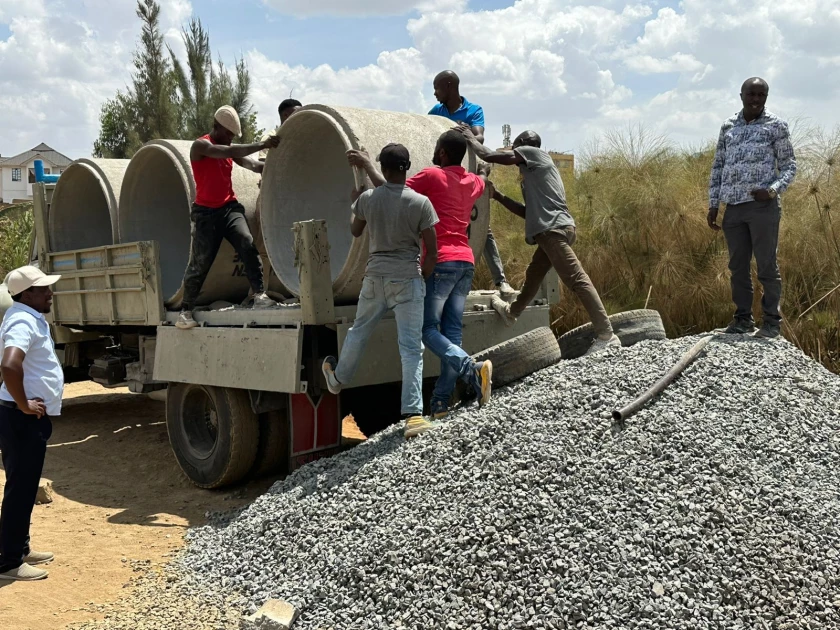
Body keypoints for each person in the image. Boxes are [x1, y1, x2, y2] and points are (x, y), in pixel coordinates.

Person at [349, 131, 494, 420]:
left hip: (440, 262)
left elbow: (391, 190)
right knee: (451, 333)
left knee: (428, 330)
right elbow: (484, 178)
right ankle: (440, 402)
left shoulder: (432, 176)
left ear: (441, 153)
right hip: (466, 263)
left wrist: (367, 164)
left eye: (437, 148)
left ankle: (472, 368)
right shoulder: (472, 182)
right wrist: (483, 167)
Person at [456, 126, 620, 355]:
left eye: (516, 145)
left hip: (553, 231)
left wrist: (470, 139)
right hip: (551, 230)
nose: (514, 150)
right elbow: (528, 213)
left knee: (577, 279)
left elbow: (488, 155)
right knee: (534, 274)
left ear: (523, 144)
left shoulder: (535, 154)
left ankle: (606, 334)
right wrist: (498, 196)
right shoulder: (534, 175)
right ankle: (512, 313)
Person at [322, 144, 440, 438]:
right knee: (411, 349)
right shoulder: (421, 203)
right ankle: (413, 417)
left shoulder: (369, 199)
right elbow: (432, 253)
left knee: (359, 331)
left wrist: (355, 201)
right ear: (407, 167)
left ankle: (337, 380)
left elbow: (355, 230)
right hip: (408, 279)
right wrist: (420, 278)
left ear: (383, 169)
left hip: (375, 278)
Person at [707, 77, 797, 339]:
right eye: (751, 94)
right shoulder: (728, 127)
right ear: (741, 95)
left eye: (761, 95)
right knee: (737, 267)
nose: (756, 100)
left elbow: (790, 165)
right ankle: (743, 319)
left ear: (766, 97)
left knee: (767, 265)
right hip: (733, 207)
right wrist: (714, 203)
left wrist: (772, 190)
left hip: (762, 208)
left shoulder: (775, 126)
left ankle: (771, 322)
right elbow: (718, 166)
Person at [177, 106, 281, 329]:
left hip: (229, 208)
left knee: (246, 242)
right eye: (229, 134)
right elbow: (226, 153)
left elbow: (252, 164)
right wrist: (262, 144)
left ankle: (260, 296)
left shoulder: (229, 149)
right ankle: (185, 310)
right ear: (217, 127)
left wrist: (274, 165)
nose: (231, 139)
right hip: (205, 213)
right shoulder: (201, 146)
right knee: (200, 261)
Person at [0, 266, 63, 581]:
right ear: (26, 294)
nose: (50, 292)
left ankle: (19, 548)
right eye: (43, 288)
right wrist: (24, 404)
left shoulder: (26, 316)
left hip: (19, 416)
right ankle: (10, 561)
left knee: (22, 487)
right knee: (21, 489)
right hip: (22, 417)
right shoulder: (24, 320)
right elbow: (10, 365)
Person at [429, 70, 515, 300]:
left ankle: (501, 280)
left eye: (437, 88)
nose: (435, 93)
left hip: (466, 177)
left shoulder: (473, 110)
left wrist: (465, 135)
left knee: (481, 227)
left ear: (449, 86)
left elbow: (479, 138)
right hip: (445, 178)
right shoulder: (436, 112)